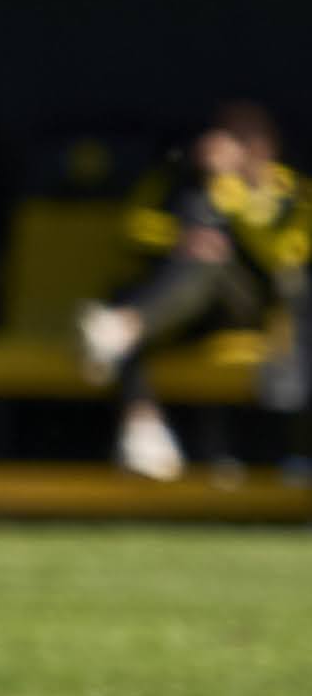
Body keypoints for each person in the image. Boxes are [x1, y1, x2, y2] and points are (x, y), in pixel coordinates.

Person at [76, 104, 309, 483]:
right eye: (229, 135)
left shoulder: (293, 190)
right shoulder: (181, 178)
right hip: (182, 309)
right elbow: (133, 228)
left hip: (251, 312)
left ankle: (125, 331)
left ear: (268, 144)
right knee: (154, 288)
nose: (236, 146)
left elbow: (285, 255)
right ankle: (143, 423)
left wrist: (230, 192)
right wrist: (180, 237)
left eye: (245, 137)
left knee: (202, 267)